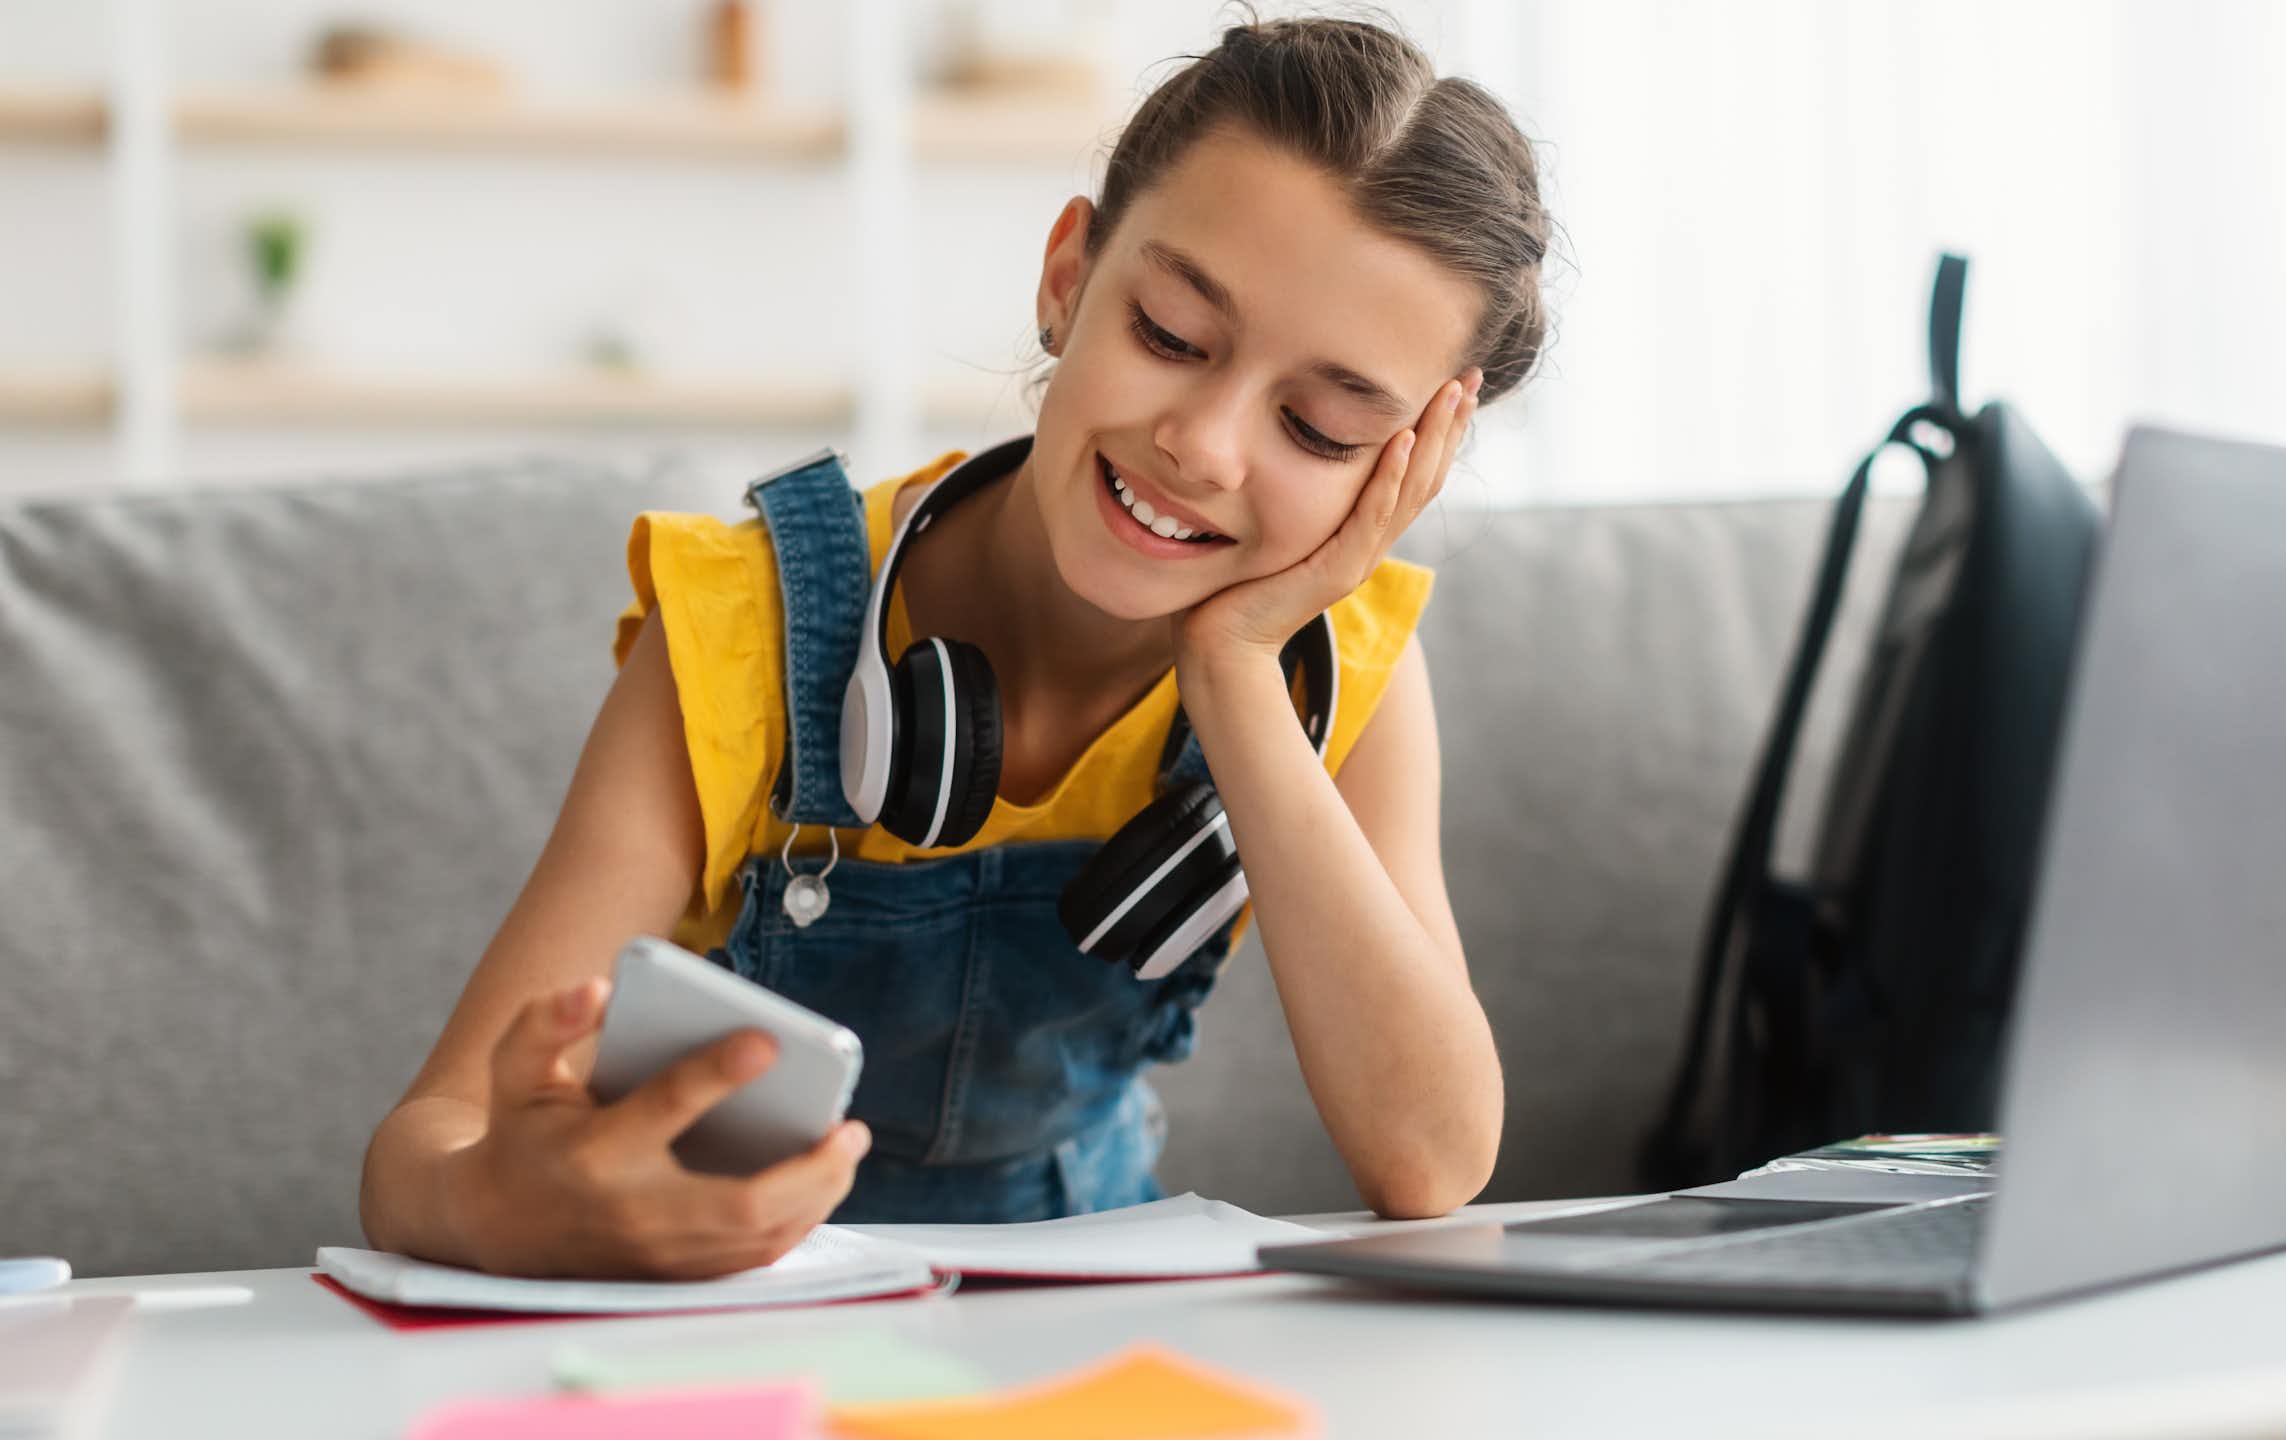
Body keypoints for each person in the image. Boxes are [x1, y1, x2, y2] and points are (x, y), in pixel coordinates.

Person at [358, 13, 1555, 1280]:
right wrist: (507, 1204)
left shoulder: (1335, 669)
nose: (1203, 447)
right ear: (1067, 279)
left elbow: (1430, 1163)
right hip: (749, 1304)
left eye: (1318, 429)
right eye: (1167, 334)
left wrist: (1235, 674)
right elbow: (421, 1151)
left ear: (1403, 468)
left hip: (1089, 1310)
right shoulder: (747, 617)